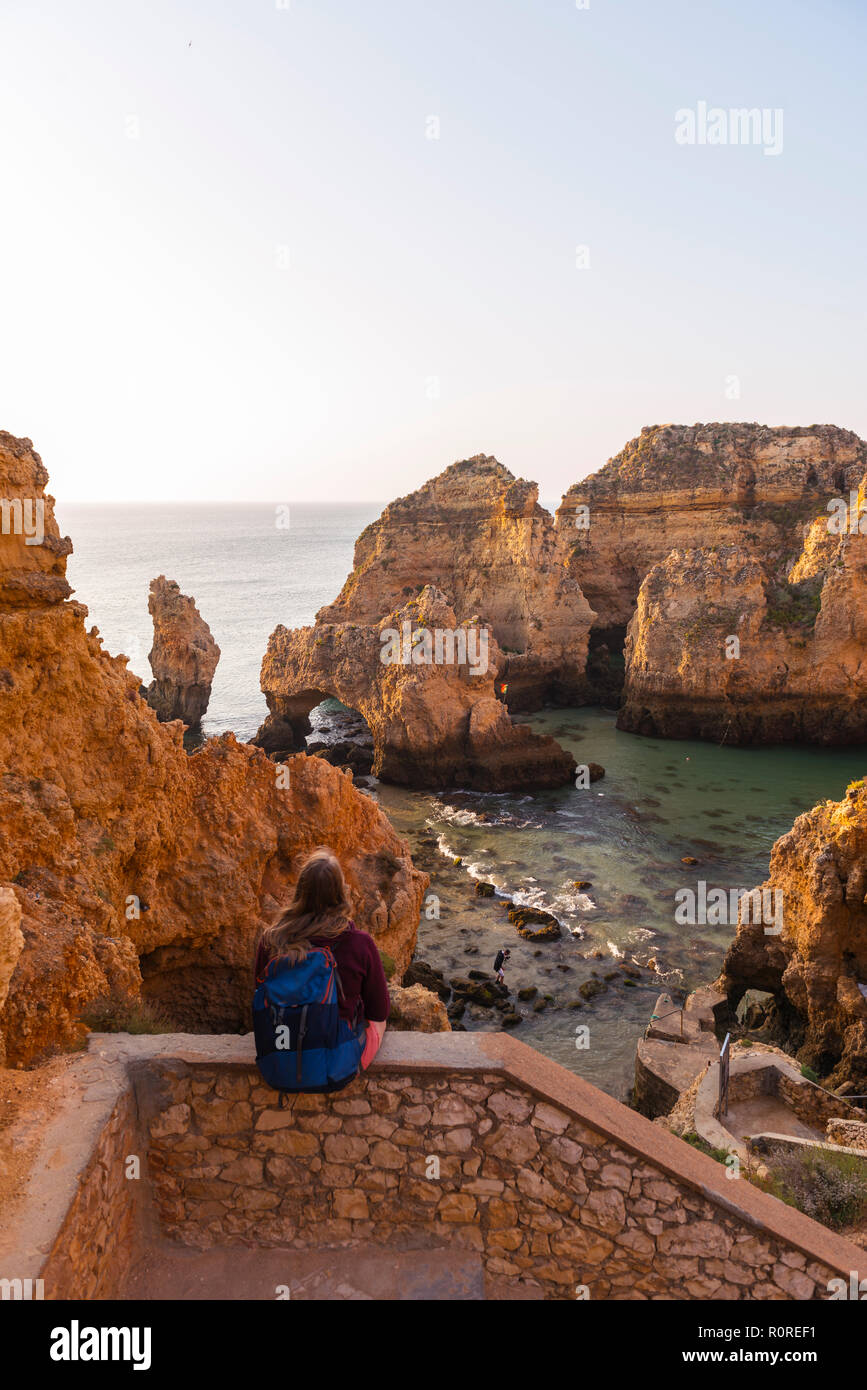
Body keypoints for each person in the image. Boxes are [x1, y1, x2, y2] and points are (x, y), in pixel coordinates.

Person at [254, 847, 389, 1072]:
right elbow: (379, 1010)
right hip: (336, 1064)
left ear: (301, 891)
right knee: (379, 1023)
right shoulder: (359, 943)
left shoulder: (271, 940)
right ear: (339, 893)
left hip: (281, 1056)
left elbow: (259, 995)